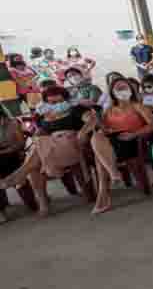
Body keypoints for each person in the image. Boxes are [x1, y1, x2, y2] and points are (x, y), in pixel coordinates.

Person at [0, 85, 121, 216]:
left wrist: (82, 131)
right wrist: (36, 135)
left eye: (59, 101)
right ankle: (43, 202)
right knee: (36, 158)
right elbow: (40, 131)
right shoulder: (43, 115)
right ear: (46, 102)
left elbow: (92, 120)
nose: (55, 104)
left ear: (66, 99)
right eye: (51, 102)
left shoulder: (76, 109)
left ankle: (19, 175)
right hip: (52, 148)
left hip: (73, 145)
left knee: (38, 150)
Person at [100, 77, 153, 210]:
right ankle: (111, 179)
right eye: (119, 88)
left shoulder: (137, 106)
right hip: (114, 141)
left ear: (130, 90)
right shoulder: (108, 110)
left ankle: (103, 193)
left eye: (125, 87)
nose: (122, 90)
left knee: (100, 156)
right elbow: (104, 130)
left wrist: (134, 134)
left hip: (133, 141)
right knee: (97, 139)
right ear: (112, 92)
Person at [0, 105, 26, 223]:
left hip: (12, 154)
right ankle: (1, 210)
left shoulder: (13, 123)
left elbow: (20, 144)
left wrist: (4, 151)